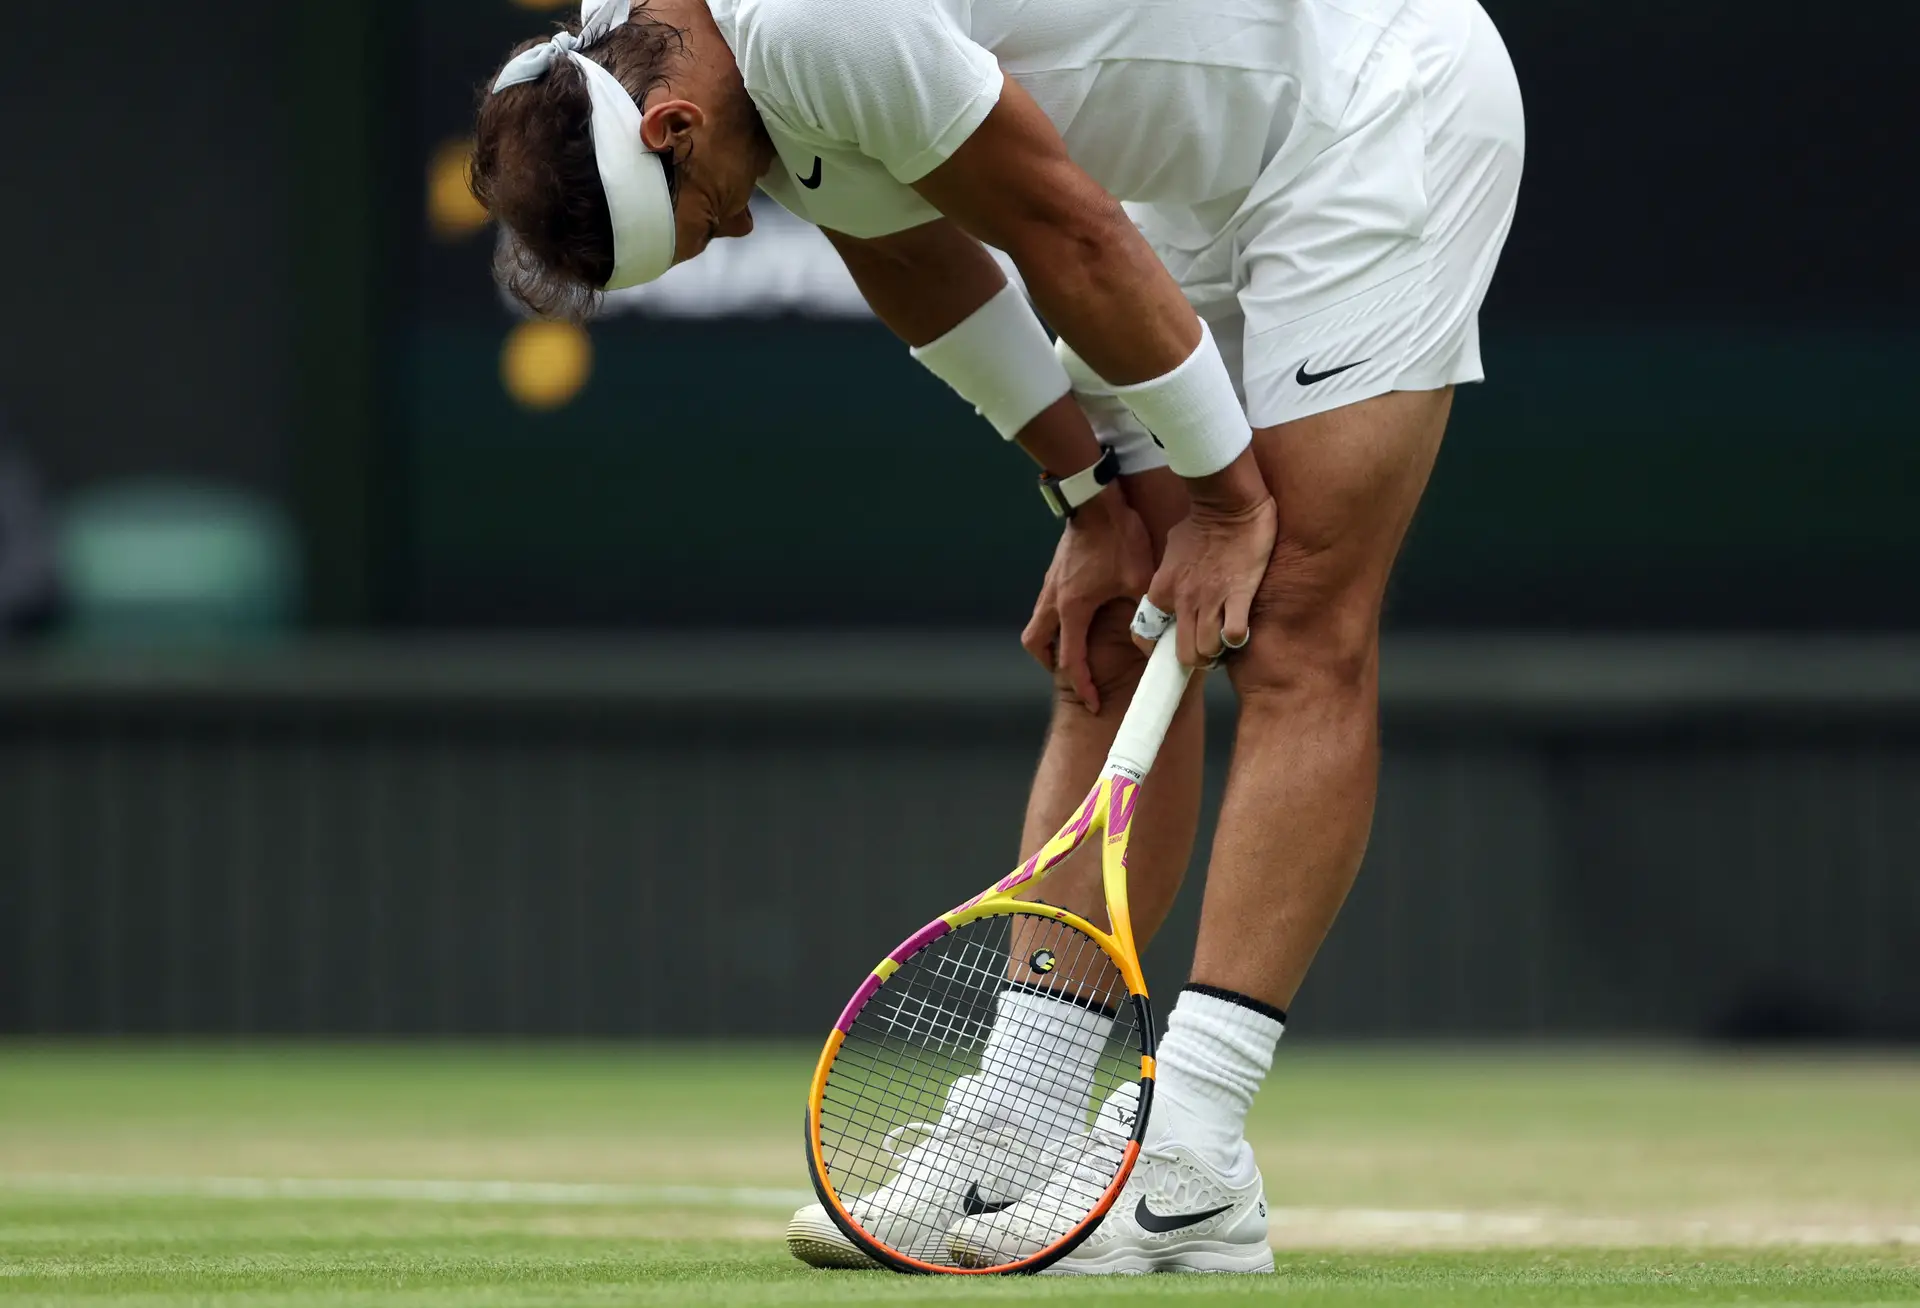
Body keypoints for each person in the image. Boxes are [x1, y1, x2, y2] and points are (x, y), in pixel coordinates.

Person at [475, 0, 1523, 1275]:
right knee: (1123, 631)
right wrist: (1090, 501)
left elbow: (1066, 232)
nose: (742, 223)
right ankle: (1017, 1129)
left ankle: (1189, 1161)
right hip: (1192, 176)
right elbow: (912, 260)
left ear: (671, 121)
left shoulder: (814, 28)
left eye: (708, 213)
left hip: (1370, 99)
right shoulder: (668, 45)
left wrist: (1230, 504)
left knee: (1295, 610)